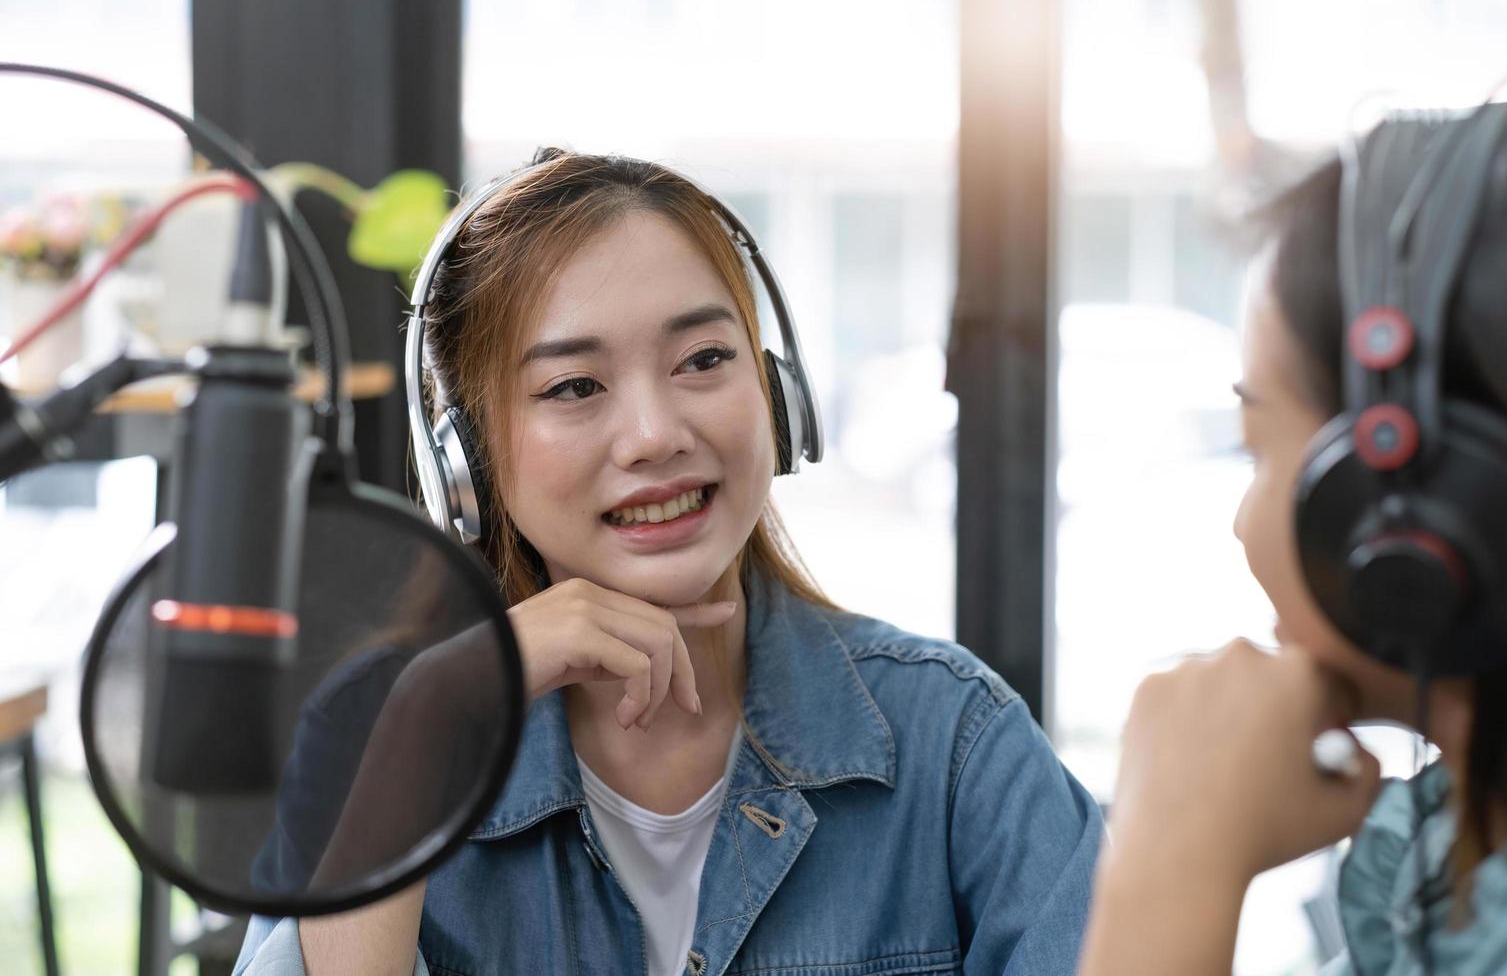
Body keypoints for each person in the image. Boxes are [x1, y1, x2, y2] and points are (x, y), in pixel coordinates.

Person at [234, 149, 1102, 976]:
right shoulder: (386, 741)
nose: (655, 435)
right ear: (466, 461)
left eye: (704, 360)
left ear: (776, 395)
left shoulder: (954, 744)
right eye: (574, 386)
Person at [1078, 97, 1507, 975]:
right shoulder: (1455, 865)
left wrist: (1171, 860)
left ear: (1429, 501)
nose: (1237, 523)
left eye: (1258, 444)